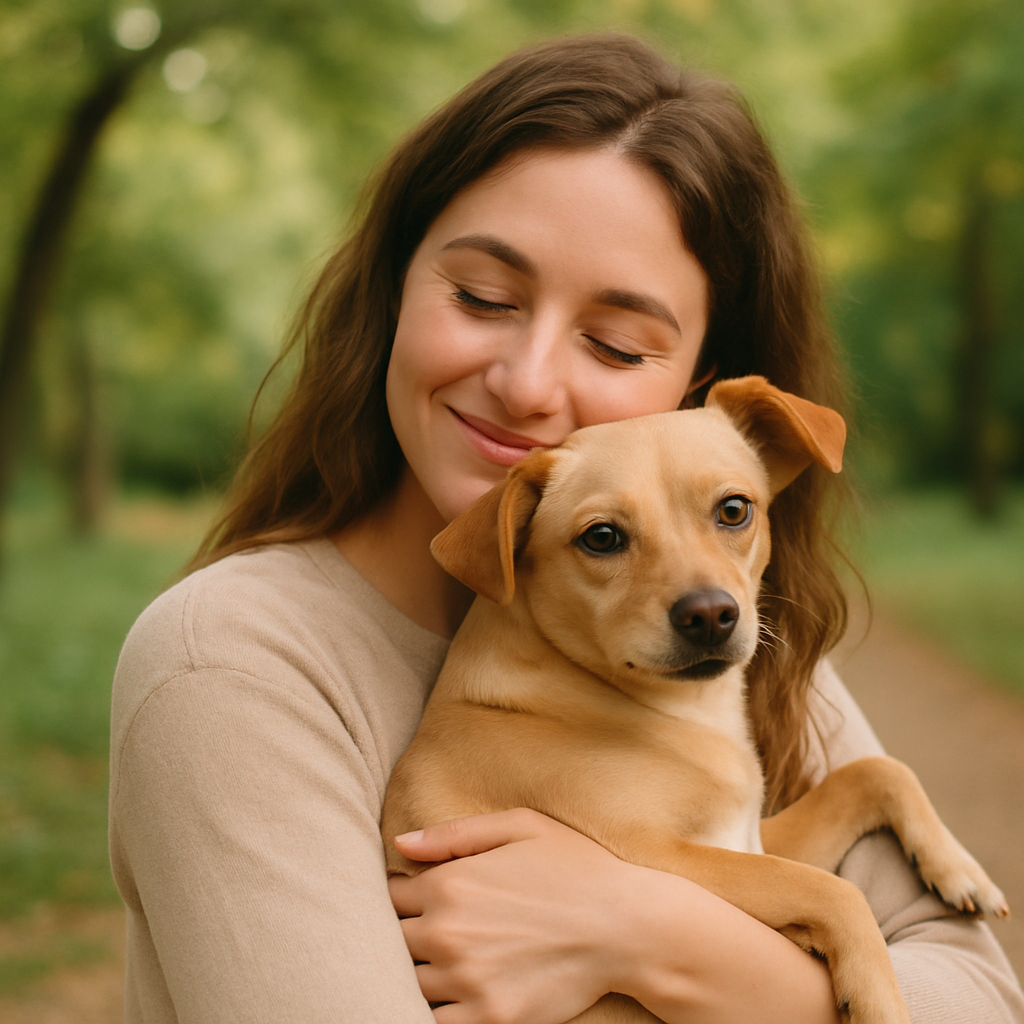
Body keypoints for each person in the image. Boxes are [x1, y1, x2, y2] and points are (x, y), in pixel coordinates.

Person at [108, 33, 1024, 1024]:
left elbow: (977, 993)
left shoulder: (706, 627)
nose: (528, 383)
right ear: (394, 288)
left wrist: (648, 936)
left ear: (692, 384)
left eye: (617, 344)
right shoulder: (234, 670)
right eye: (481, 297)